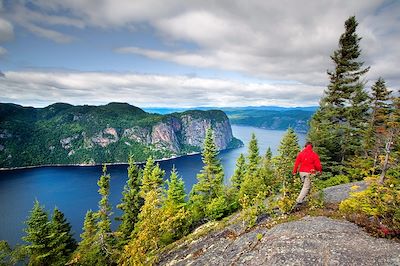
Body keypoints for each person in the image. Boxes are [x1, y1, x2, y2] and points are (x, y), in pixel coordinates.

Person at [292, 141, 322, 209]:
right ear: (312, 147)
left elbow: (296, 164)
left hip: (301, 173)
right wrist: (319, 171)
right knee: (306, 187)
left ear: (305, 146)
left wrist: (294, 172)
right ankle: (298, 201)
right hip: (310, 173)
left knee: (306, 186)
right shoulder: (314, 154)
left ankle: (309, 200)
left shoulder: (301, 154)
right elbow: (318, 165)